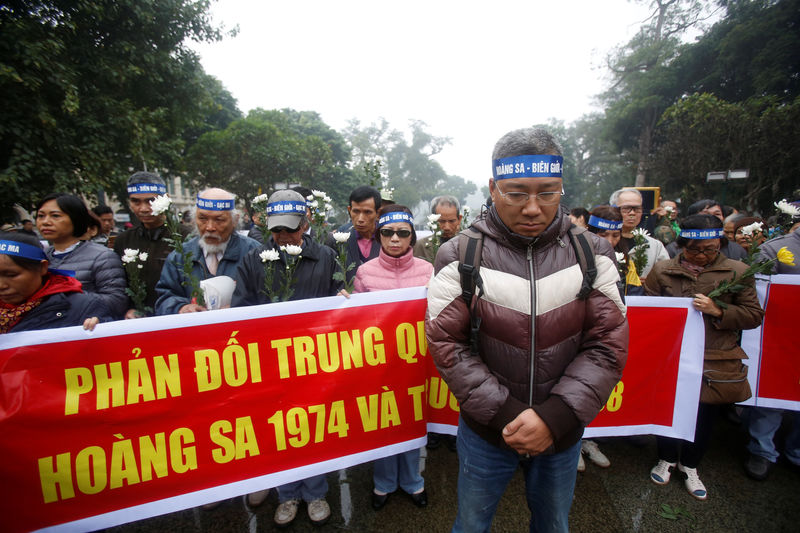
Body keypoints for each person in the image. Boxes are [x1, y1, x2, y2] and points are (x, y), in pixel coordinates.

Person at [426, 127, 628, 532]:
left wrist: (555, 417)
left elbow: (606, 344)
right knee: (471, 523)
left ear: (561, 188)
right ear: (493, 187)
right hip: (486, 431)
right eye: (517, 193)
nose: (533, 208)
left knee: (553, 524)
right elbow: (447, 342)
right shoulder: (459, 253)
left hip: (563, 432)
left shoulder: (593, 252)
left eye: (547, 193)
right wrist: (506, 414)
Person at [232, 189, 341, 527]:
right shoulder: (254, 258)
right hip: (270, 361)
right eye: (276, 230)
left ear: (306, 222)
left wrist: (345, 300)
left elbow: (338, 303)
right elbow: (241, 308)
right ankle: (287, 493)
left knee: (313, 427)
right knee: (279, 430)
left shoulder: (325, 257)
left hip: (314, 359)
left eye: (290, 229)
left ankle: (316, 491)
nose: (282, 237)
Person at [645, 214, 763, 500]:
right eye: (693, 249)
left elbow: (754, 315)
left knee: (705, 412)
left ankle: (692, 464)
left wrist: (719, 311)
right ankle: (667, 457)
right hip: (672, 355)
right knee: (669, 407)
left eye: (710, 249)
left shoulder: (738, 271)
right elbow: (647, 309)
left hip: (714, 357)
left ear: (720, 244)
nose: (701, 256)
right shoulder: (661, 270)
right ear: (681, 245)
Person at [351, 204, 433, 510]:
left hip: (414, 364)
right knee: (383, 425)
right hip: (379, 366)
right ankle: (383, 484)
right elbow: (355, 322)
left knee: (413, 423)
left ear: (411, 235)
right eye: (387, 232)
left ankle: (413, 481)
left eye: (402, 233)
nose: (394, 239)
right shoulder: (365, 272)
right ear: (378, 235)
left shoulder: (427, 270)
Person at [744, 220, 800, 480]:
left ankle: (796, 451)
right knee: (772, 392)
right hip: (782, 338)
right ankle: (762, 450)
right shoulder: (777, 249)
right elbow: (756, 292)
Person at [155, 188, 260, 315]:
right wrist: (180, 308)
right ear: (194, 219)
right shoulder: (179, 256)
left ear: (235, 221)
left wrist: (239, 306)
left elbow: (267, 297)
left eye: (219, 220)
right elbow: (164, 298)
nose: (210, 227)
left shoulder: (253, 252)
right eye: (203, 219)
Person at [36, 193, 127, 319]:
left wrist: (64, 298)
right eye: (41, 216)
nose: (45, 222)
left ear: (76, 219)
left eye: (55, 216)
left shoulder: (102, 256)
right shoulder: (39, 258)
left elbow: (116, 302)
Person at [0, 231, 111, 333]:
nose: (2, 285)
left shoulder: (84, 308)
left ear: (42, 268)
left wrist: (101, 329)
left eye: (11, 275)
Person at [114, 172, 185, 318]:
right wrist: (128, 309)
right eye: (136, 202)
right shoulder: (123, 240)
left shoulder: (186, 237)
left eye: (150, 201)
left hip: (178, 317)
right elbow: (118, 285)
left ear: (166, 199)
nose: (144, 208)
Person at [610, 188, 669, 280]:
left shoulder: (654, 246)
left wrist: (651, 283)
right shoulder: (604, 242)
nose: (632, 213)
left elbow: (666, 275)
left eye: (637, 209)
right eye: (626, 209)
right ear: (613, 210)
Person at [326, 186, 381, 282]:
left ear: (378, 213)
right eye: (356, 211)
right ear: (349, 210)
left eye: (367, 212)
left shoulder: (388, 237)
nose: (360, 219)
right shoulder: (339, 238)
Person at [414, 195, 463, 265]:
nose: (447, 227)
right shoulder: (421, 247)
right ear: (432, 220)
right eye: (442, 221)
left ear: (459, 219)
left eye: (452, 221)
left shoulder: (466, 246)